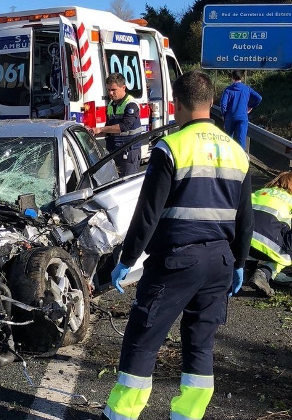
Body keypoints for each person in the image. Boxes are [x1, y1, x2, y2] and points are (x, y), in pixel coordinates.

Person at [103, 71, 252, 420]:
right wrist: (240, 263)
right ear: (212, 103)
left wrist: (127, 259)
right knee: (201, 342)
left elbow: (148, 212)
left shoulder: (171, 147)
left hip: (176, 260)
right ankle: (187, 415)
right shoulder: (236, 151)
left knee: (144, 334)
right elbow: (246, 218)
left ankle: (121, 414)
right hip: (220, 261)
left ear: (177, 105)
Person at [89, 73, 145, 176]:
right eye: (108, 90)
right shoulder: (111, 104)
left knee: (126, 185)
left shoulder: (131, 104)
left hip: (128, 152)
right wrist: (93, 133)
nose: (110, 93)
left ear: (123, 87)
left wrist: (100, 129)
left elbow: (124, 126)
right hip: (114, 151)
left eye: (113, 90)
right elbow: (109, 129)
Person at [247, 171, 292, 297]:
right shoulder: (290, 199)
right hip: (267, 246)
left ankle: (247, 265)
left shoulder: (259, 192)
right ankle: (265, 272)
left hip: (242, 243)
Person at [220, 70, 262, 149]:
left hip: (230, 117)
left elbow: (223, 104)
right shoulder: (247, 89)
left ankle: (229, 158)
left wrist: (224, 115)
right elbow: (259, 98)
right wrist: (251, 106)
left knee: (228, 140)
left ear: (232, 77)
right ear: (242, 78)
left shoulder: (228, 90)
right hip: (243, 117)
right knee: (241, 141)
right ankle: (241, 158)